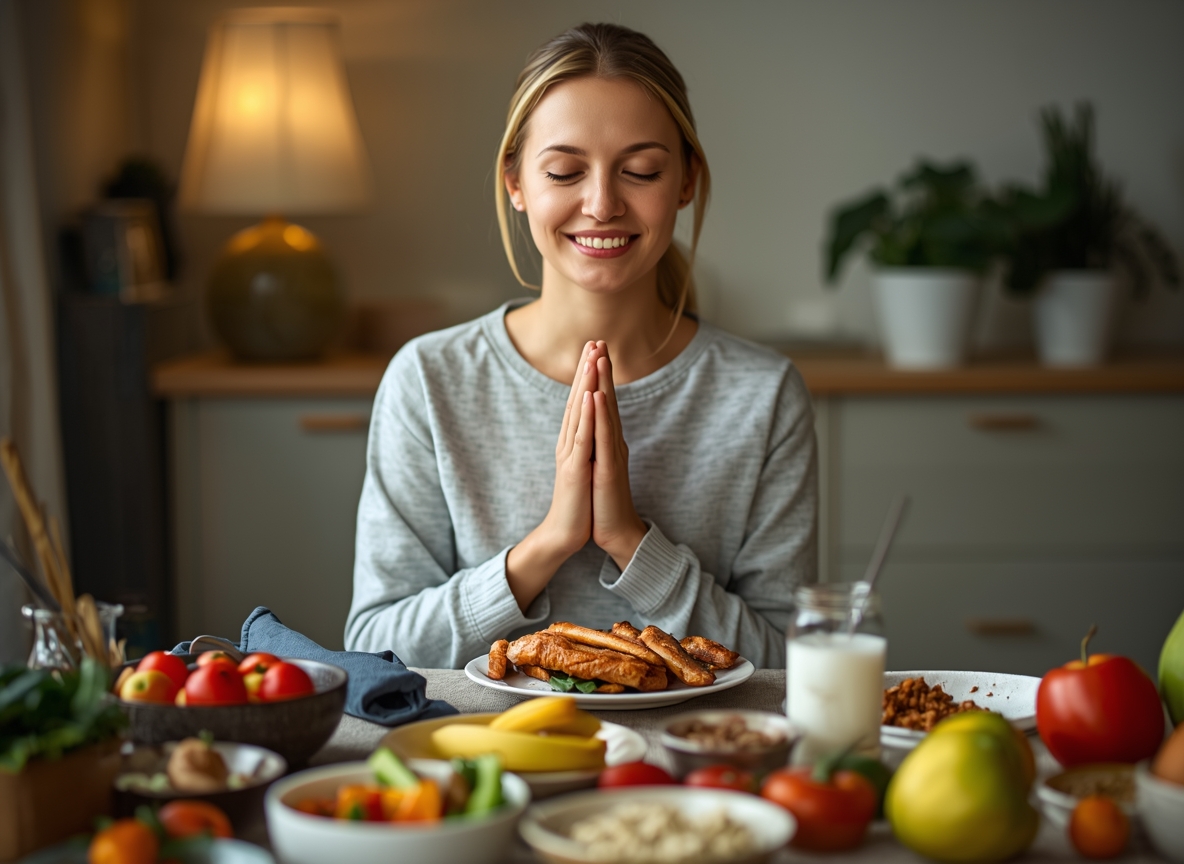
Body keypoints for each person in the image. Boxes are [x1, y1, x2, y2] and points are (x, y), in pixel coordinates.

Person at [345, 22, 817, 669]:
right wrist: (545, 546)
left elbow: (794, 666)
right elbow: (374, 648)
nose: (601, 204)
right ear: (515, 180)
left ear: (685, 180)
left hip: (695, 762)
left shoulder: (763, 394)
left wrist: (631, 542)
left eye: (641, 170)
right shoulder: (429, 379)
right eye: (565, 171)